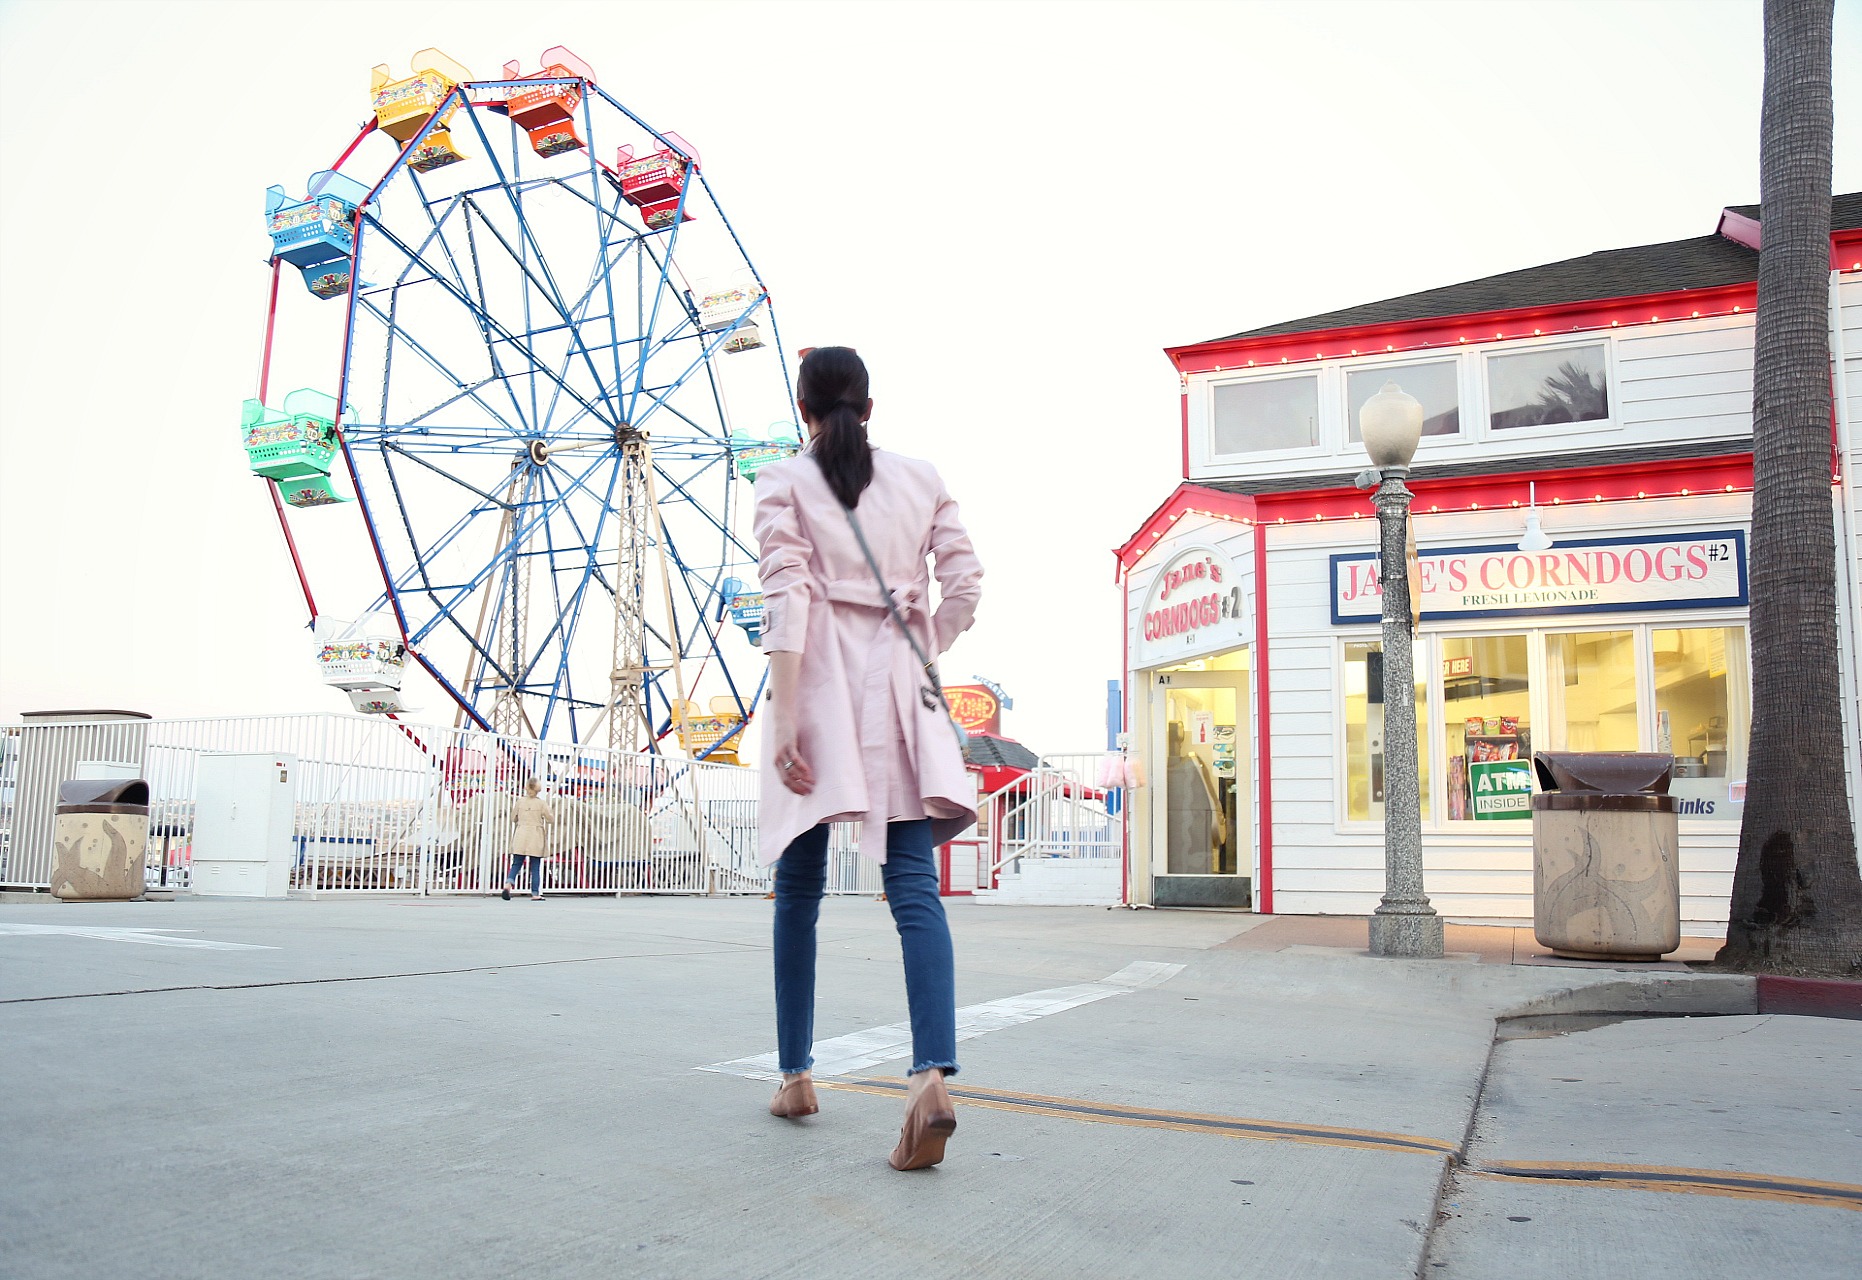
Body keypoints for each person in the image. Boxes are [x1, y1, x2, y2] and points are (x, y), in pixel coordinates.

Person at [752, 346, 983, 1171]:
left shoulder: (781, 480)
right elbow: (965, 585)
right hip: (897, 689)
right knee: (914, 890)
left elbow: (789, 594)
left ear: (805, 411)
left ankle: (796, 1075)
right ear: (869, 408)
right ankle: (930, 1078)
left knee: (799, 894)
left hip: (817, 687)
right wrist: (922, 638)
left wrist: (783, 720)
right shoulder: (922, 477)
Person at [502, 778, 553, 901]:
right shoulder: (541, 803)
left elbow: (513, 818)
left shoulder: (520, 802)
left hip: (521, 834)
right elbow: (550, 819)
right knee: (535, 865)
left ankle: (508, 883)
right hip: (535, 836)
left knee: (516, 863)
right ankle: (535, 893)